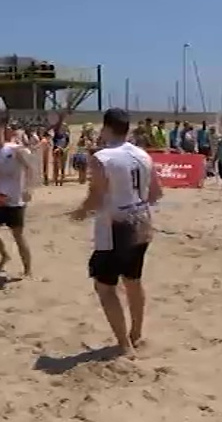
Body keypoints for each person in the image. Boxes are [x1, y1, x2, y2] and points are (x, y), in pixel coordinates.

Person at [70, 108, 163, 358]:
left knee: (105, 286)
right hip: (142, 222)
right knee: (133, 280)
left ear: (107, 127)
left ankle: (124, 345)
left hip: (115, 227)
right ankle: (136, 333)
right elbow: (156, 193)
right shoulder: (143, 155)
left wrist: (79, 212)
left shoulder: (103, 157)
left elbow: (96, 196)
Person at [0, 113, 33, 276]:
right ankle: (4, 255)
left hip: (15, 200)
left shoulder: (15, 150)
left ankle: (27, 271)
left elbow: (29, 168)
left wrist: (28, 189)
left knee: (18, 236)